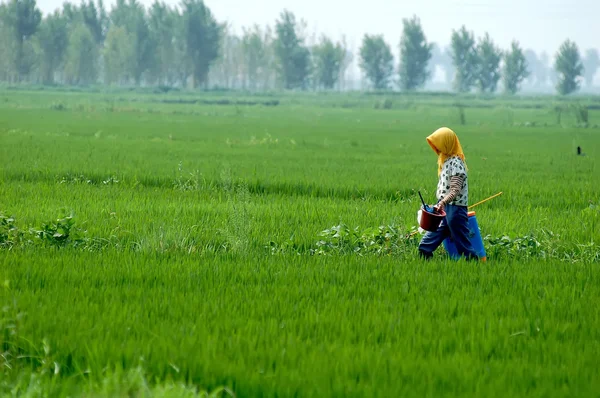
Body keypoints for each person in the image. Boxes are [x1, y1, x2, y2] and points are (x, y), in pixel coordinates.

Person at [418, 127, 478, 261]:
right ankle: (424, 257)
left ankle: (474, 265)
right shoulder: (446, 161)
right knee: (425, 245)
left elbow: (455, 190)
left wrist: (442, 202)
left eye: (438, 144)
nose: (437, 148)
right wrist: (441, 204)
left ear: (447, 143)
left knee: (463, 245)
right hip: (444, 208)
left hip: (455, 210)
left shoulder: (456, 162)